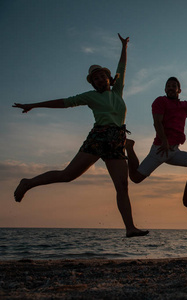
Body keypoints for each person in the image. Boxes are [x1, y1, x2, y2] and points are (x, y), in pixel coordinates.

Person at [12, 34, 148, 238]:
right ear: (92, 83)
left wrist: (124, 46)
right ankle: (27, 183)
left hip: (116, 141)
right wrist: (33, 105)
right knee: (68, 175)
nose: (100, 79)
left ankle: (130, 228)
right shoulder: (90, 96)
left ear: (108, 78)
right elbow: (63, 102)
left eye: (102, 75)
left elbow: (122, 67)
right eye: (95, 78)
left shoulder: (117, 91)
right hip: (98, 138)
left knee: (122, 185)